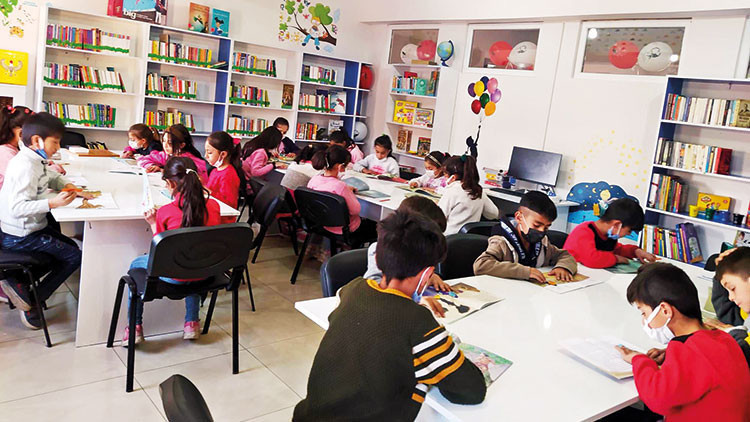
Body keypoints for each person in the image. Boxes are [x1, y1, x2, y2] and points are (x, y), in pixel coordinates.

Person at [294, 211, 486, 420]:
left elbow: (379, 320)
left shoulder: (352, 289)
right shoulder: (417, 322)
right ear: (426, 275)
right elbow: (471, 390)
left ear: (377, 257)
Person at [615, 263, 750, 421]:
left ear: (665, 310)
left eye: (644, 313)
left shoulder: (690, 352)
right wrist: (670, 357)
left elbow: (657, 398)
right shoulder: (722, 338)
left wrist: (638, 360)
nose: (644, 321)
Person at [0, 112, 88, 329]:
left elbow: (51, 176)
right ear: (37, 140)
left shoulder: (34, 159)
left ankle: (18, 282)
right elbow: (17, 208)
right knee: (74, 257)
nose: (58, 147)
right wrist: (52, 203)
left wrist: (69, 187)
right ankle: (33, 299)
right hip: (21, 234)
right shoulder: (25, 167)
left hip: (30, 228)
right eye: (55, 142)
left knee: (69, 249)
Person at [123, 157, 222, 344]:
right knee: (193, 260)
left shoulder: (166, 212)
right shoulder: (214, 207)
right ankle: (192, 322)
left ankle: (134, 327)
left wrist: (153, 223)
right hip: (205, 272)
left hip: (173, 275)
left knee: (136, 264)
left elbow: (160, 248)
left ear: (170, 184)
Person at [363, 196, 453, 317]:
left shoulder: (420, 252)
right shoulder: (382, 249)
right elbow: (373, 286)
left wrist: (431, 277)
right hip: (387, 311)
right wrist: (414, 301)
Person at [473, 191, 577, 283]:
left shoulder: (543, 243)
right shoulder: (501, 242)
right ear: (519, 217)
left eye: (546, 227)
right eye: (537, 225)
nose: (541, 231)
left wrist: (563, 267)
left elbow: (565, 255)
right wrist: (525, 272)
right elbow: (481, 265)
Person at [307, 145, 377, 243]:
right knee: (376, 226)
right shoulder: (341, 186)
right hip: (344, 230)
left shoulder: (314, 180)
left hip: (321, 224)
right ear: (340, 167)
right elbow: (356, 210)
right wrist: (348, 192)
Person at [563, 198, 657, 268]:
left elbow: (617, 250)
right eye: (629, 230)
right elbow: (591, 259)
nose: (629, 234)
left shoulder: (608, 236)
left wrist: (635, 251)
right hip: (572, 274)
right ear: (617, 225)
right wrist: (616, 259)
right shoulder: (584, 232)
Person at [0, 106, 64, 191]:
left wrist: (44, 163)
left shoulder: (15, 148)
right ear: (20, 133)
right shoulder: (5, 153)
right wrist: (54, 169)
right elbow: (28, 178)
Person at [438, 155, 498, 235]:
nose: (444, 178)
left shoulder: (452, 191)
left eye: (445, 175)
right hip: (468, 239)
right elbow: (493, 214)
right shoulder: (478, 191)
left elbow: (438, 218)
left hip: (448, 237)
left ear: (453, 177)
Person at [713, 247, 750, 367]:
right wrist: (720, 273)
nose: (730, 297)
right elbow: (728, 315)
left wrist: (734, 332)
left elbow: (741, 357)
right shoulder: (746, 313)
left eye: (732, 288)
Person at [137, 124, 208, 182]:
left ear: (182, 145)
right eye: (164, 141)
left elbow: (188, 180)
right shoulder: (167, 155)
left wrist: (163, 170)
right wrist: (152, 166)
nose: (165, 145)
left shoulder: (189, 161)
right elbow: (142, 159)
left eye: (170, 143)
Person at [204, 131, 242, 224]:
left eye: (209, 153)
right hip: (213, 212)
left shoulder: (229, 175)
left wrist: (208, 191)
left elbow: (229, 205)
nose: (205, 156)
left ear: (223, 154)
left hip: (222, 220)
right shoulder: (215, 171)